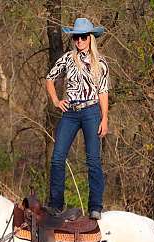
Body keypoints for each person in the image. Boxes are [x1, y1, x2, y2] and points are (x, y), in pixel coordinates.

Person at [45, 17, 109, 220]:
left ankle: (95, 206)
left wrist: (104, 118)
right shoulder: (67, 59)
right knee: (57, 158)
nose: (79, 41)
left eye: (83, 37)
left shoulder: (101, 63)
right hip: (70, 112)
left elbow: (103, 92)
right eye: (76, 37)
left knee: (93, 160)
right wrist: (56, 100)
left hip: (91, 111)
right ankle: (56, 205)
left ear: (90, 38)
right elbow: (49, 78)